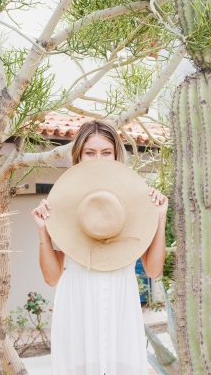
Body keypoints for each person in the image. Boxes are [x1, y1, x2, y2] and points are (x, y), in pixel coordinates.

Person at [32, 119, 168, 374]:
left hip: (121, 304)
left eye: (106, 152)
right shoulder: (62, 202)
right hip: (78, 305)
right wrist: (43, 232)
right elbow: (52, 278)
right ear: (78, 156)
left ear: (116, 155)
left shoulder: (137, 199)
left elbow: (153, 270)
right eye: (90, 152)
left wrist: (160, 217)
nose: (98, 159)